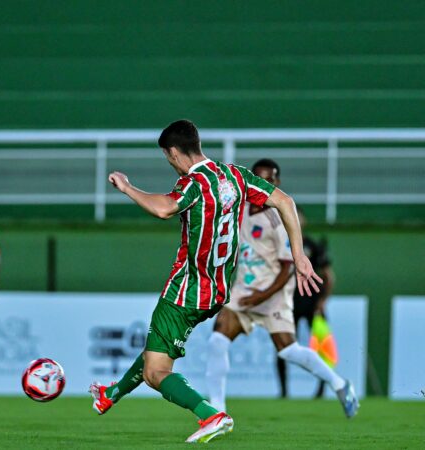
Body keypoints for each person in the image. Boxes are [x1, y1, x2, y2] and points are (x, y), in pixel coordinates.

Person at [88, 120, 323, 444]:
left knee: (156, 372)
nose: (170, 163)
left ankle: (210, 414)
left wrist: (128, 187)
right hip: (217, 292)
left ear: (173, 152)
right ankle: (109, 395)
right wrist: (298, 255)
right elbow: (286, 202)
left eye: (167, 157)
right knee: (156, 351)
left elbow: (164, 209)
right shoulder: (235, 176)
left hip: (186, 290)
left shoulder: (193, 183)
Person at [204, 159, 356, 417]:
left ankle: (339, 384)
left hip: (273, 295)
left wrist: (261, 296)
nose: (264, 185)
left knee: (288, 351)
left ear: (277, 183)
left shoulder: (280, 220)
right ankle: (217, 413)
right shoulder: (240, 209)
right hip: (244, 292)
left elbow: (287, 270)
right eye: (259, 179)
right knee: (217, 341)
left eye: (269, 180)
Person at [276, 207, 335, 398]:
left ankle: (321, 389)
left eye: (298, 216)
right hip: (289, 305)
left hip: (312, 305)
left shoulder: (312, 245)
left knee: (321, 346)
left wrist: (323, 301)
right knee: (282, 347)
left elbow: (328, 275)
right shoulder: (279, 245)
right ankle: (283, 392)